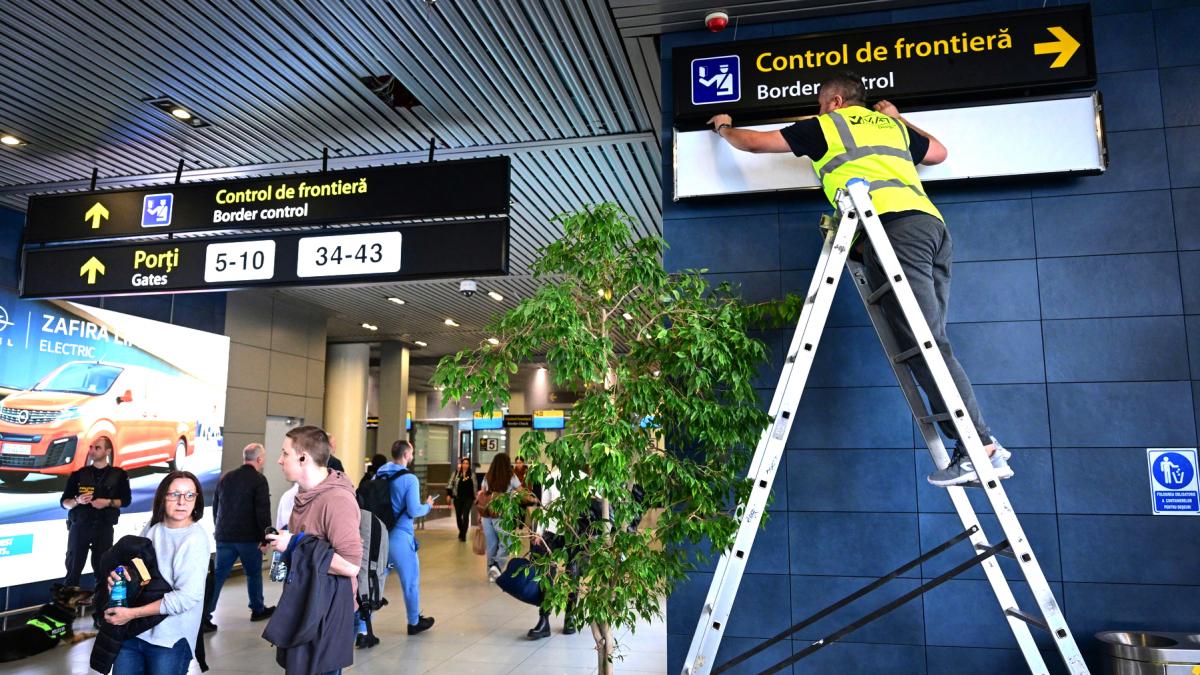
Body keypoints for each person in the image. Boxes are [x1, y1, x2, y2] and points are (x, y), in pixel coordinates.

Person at [707, 72, 1012, 487]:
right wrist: (900, 118)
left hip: (891, 230)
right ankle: (979, 445)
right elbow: (938, 153)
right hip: (930, 228)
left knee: (924, 343)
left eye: (818, 103)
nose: (816, 110)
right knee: (929, 339)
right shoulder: (889, 126)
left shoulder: (829, 124)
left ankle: (981, 448)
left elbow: (754, 143)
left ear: (834, 101)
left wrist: (724, 127)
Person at [265, 425, 362, 673]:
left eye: (285, 453)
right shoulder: (303, 494)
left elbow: (351, 565)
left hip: (327, 611)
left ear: (303, 458)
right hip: (306, 600)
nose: (279, 460)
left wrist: (295, 543)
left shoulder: (336, 500)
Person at [104, 471, 209, 675]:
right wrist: (122, 576)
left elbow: (186, 597)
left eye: (190, 495)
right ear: (162, 497)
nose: (182, 502)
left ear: (197, 500)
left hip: (169, 640)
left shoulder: (194, 540)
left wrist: (131, 614)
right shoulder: (153, 527)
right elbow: (138, 567)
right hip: (135, 632)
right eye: (174, 494)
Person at [204, 443, 274, 633]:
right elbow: (262, 512)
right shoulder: (259, 480)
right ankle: (257, 609)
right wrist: (266, 538)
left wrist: (218, 529)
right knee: (253, 574)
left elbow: (216, 506)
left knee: (218, 576)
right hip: (248, 538)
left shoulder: (226, 478)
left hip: (224, 536)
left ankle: (204, 616)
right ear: (259, 459)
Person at [373, 439, 435, 635]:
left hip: (379, 534)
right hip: (400, 536)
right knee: (410, 581)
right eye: (412, 453)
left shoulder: (379, 473)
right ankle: (414, 622)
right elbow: (414, 510)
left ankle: (364, 627)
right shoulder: (410, 479)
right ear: (406, 455)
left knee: (376, 580)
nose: (413, 456)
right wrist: (429, 505)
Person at [60, 437, 132, 588]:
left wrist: (107, 502)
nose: (92, 451)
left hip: (104, 528)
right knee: (72, 572)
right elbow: (64, 503)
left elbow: (125, 501)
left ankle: (101, 610)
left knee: (103, 573)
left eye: (97, 448)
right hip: (80, 528)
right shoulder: (78, 475)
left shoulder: (118, 475)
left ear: (108, 451)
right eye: (91, 447)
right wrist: (77, 501)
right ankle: (66, 609)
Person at [526, 469, 577, 639]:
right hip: (552, 532)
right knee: (546, 575)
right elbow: (545, 507)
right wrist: (539, 532)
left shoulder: (584, 479)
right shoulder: (551, 477)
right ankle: (544, 621)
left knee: (573, 574)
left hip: (575, 534)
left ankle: (570, 617)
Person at [478, 452, 521, 581]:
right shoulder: (511, 476)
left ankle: (491, 571)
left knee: (492, 544)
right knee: (506, 542)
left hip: (486, 515)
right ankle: (496, 566)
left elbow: (482, 494)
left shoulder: (487, 476)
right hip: (502, 514)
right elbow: (521, 491)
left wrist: (479, 516)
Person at [446, 456, 477, 542]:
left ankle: (463, 535)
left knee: (466, 515)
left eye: (467, 463)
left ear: (469, 465)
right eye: (464, 463)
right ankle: (461, 531)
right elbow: (450, 483)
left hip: (469, 498)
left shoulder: (472, 474)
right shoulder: (456, 473)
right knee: (459, 516)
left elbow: (475, 486)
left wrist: (475, 497)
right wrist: (449, 494)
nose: (465, 465)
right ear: (461, 464)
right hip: (458, 498)